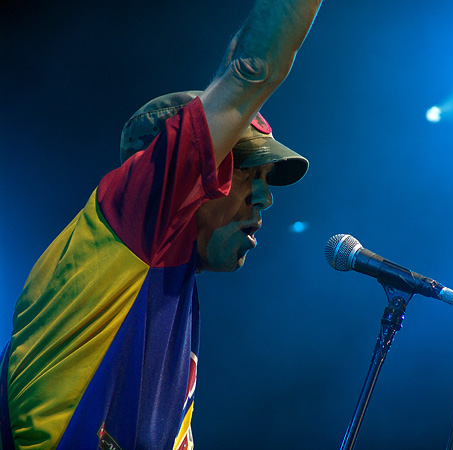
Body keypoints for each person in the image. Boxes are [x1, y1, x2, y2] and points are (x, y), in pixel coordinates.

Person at [0, 0, 322, 448]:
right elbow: (251, 69)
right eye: (246, 172)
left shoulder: (163, 280)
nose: (265, 197)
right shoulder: (140, 214)